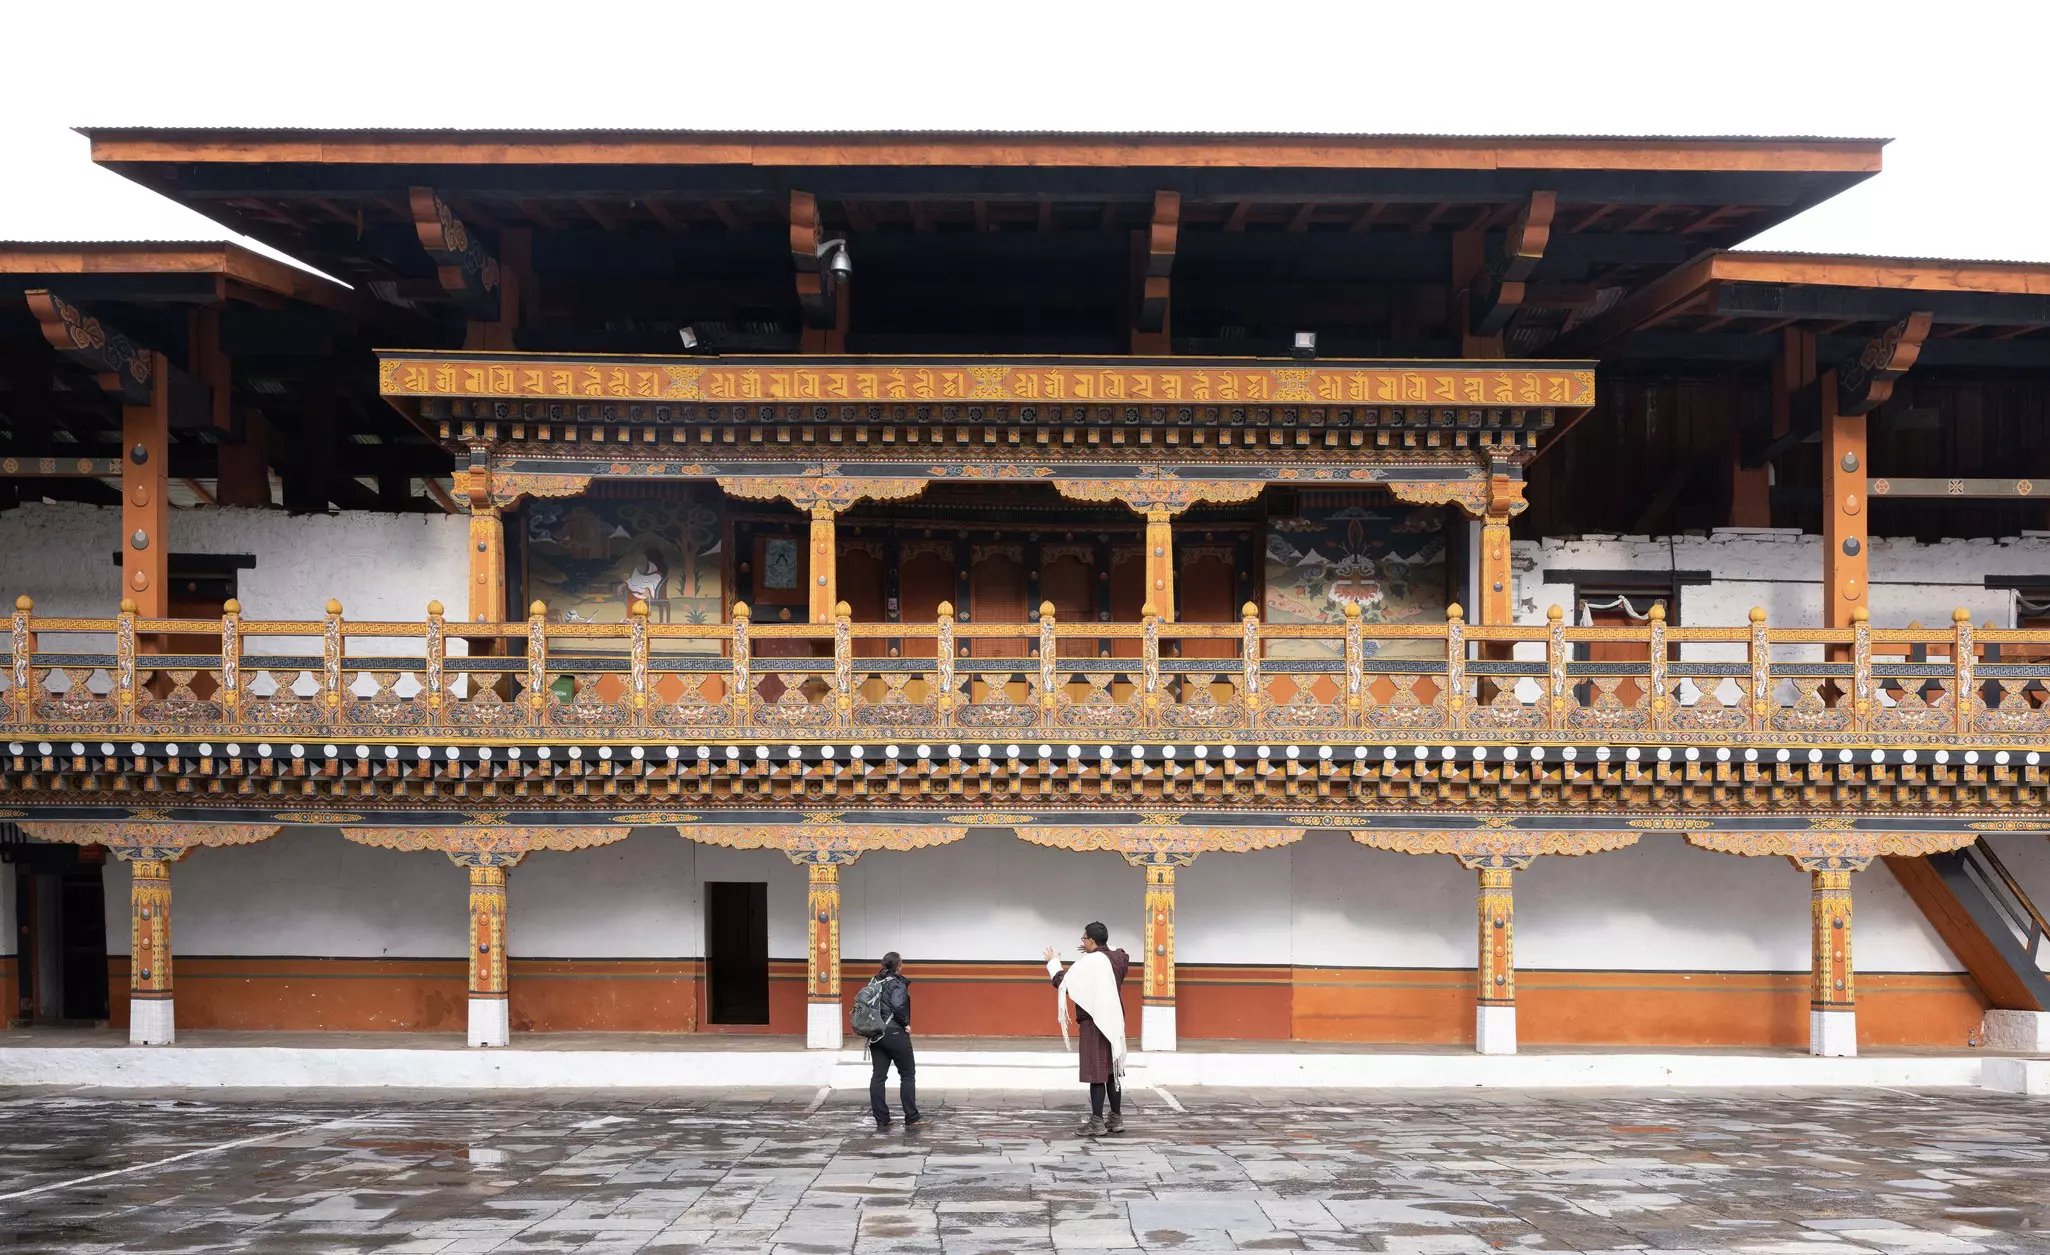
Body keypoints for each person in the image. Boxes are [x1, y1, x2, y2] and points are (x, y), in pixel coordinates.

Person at [1045, 921, 1130, 1136]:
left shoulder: (1090, 963)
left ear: (1091, 941)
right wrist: (1100, 946)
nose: (1082, 942)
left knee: (1096, 1073)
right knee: (1112, 1072)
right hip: (1114, 1019)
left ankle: (1097, 1122)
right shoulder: (1117, 959)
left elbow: (1063, 982)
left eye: (1084, 939)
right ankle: (1116, 1119)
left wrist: (1053, 962)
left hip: (1094, 1021)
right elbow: (1121, 951)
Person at [867, 952, 928, 1132]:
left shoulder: (875, 981)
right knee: (907, 1075)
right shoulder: (898, 983)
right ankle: (912, 1117)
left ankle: (882, 1119)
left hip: (876, 1034)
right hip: (894, 1033)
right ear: (899, 965)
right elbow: (898, 1005)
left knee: (878, 1076)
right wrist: (905, 1023)